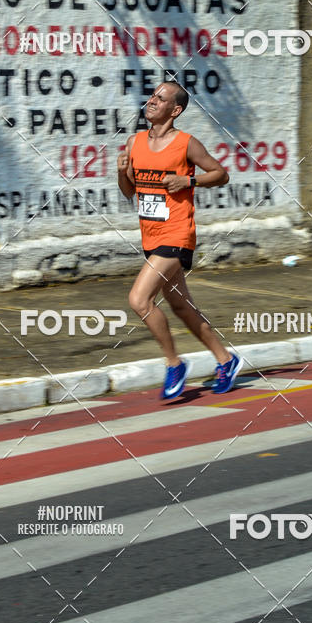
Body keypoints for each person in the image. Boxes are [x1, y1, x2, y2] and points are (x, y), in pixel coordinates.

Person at [117, 81, 242, 400]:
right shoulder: (134, 142)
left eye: (160, 98)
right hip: (151, 234)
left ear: (176, 110)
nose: (152, 101)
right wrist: (121, 173)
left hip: (177, 232)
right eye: (151, 96)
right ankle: (226, 361)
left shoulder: (186, 143)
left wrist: (188, 180)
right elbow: (131, 193)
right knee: (181, 306)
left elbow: (220, 174)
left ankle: (175, 364)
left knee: (139, 301)